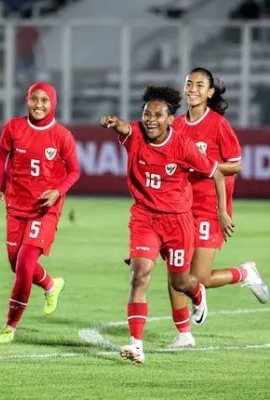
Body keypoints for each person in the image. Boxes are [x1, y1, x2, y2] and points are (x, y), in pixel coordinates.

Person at [99, 84, 233, 364]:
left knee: (181, 281)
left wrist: (222, 211)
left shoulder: (183, 146)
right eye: (147, 114)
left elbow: (217, 174)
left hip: (177, 222)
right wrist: (114, 122)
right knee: (140, 275)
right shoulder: (136, 134)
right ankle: (136, 344)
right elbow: (125, 127)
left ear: (171, 119)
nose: (150, 120)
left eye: (158, 115)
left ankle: (198, 293)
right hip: (144, 217)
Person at [166, 67, 269, 349]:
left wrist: (221, 205)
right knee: (175, 271)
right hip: (181, 207)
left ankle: (245, 274)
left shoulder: (218, 125)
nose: (193, 88)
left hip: (210, 207)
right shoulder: (176, 126)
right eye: (189, 83)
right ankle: (184, 334)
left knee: (199, 278)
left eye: (200, 84)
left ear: (210, 92)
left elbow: (236, 165)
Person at [0, 81, 81, 343]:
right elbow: (0, 157)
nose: (39, 105)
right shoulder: (14, 127)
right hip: (16, 205)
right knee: (16, 266)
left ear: (53, 104)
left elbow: (75, 171)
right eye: (34, 99)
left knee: (26, 263)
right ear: (27, 100)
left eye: (45, 101)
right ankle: (51, 285)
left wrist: (57, 191)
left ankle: (10, 326)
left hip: (45, 209)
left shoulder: (62, 135)